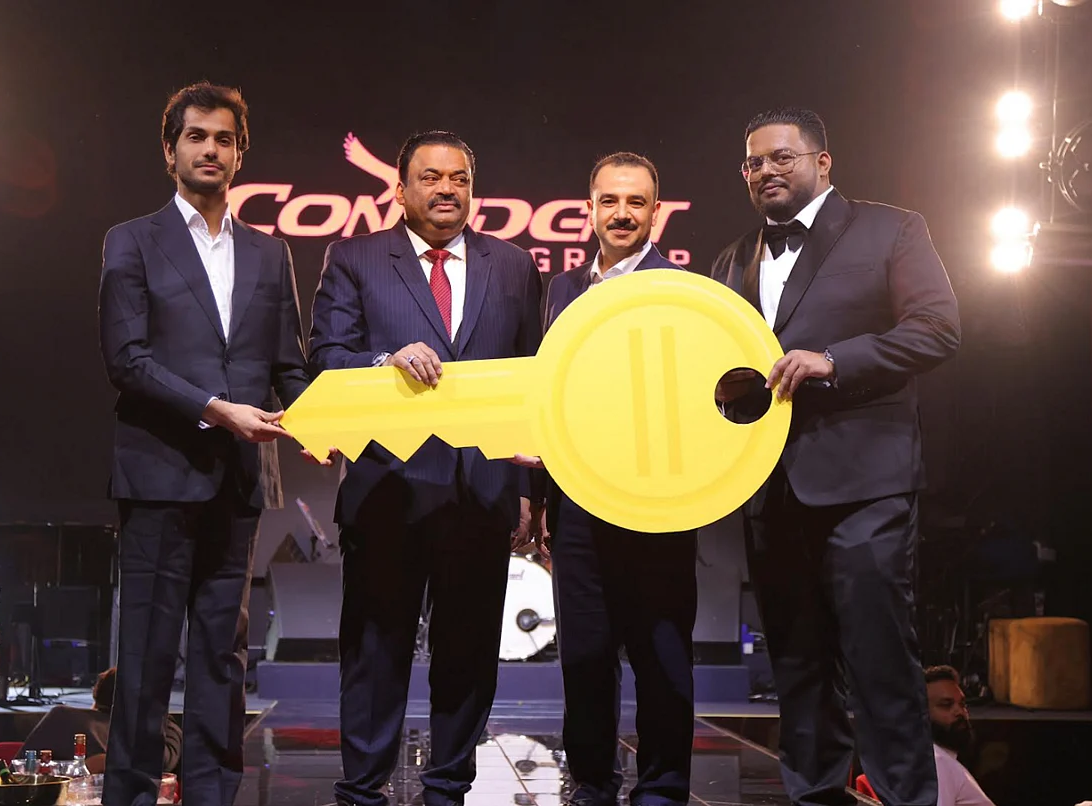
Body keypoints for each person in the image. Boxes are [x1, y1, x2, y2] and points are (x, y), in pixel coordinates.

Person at [710, 107, 961, 806]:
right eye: (754, 162)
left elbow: (938, 328)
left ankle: (906, 798)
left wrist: (835, 360)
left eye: (781, 157)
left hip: (866, 484)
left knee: (880, 660)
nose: (766, 171)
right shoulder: (732, 258)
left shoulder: (892, 229)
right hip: (770, 489)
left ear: (823, 162)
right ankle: (815, 796)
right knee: (797, 665)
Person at [98, 82, 318, 806]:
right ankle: (131, 795)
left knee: (223, 656)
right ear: (170, 152)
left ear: (240, 153)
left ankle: (213, 793)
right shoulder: (131, 240)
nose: (211, 149)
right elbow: (127, 361)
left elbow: (288, 366)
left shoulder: (268, 253)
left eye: (224, 138)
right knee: (146, 658)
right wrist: (218, 411)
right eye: (196, 136)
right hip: (159, 473)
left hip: (237, 481)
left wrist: (326, 420)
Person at [309, 130, 543, 806]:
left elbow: (534, 383)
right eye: (431, 177)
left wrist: (529, 491)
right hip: (388, 491)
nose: (447, 190)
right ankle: (363, 790)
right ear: (401, 189)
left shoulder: (513, 266)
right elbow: (326, 357)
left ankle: (448, 788)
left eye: (459, 178)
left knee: (467, 656)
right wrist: (384, 362)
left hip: (482, 493)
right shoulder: (354, 258)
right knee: (375, 653)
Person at [514, 152, 697, 806]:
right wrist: (534, 500)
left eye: (636, 202)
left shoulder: (683, 290)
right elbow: (542, 396)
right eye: (610, 201)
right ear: (589, 209)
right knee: (586, 657)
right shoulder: (560, 289)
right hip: (578, 503)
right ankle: (592, 783)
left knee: (662, 656)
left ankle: (663, 789)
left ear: (656, 212)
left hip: (658, 503)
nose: (622, 213)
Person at [18, 668, 183, 772]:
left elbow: (16, 775)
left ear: (96, 696)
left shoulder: (61, 717)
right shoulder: (158, 732)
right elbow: (163, 761)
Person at [924, 666, 995, 806]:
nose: (960, 712)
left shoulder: (944, 760)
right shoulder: (936, 761)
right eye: (946, 705)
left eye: (962, 704)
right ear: (921, 714)